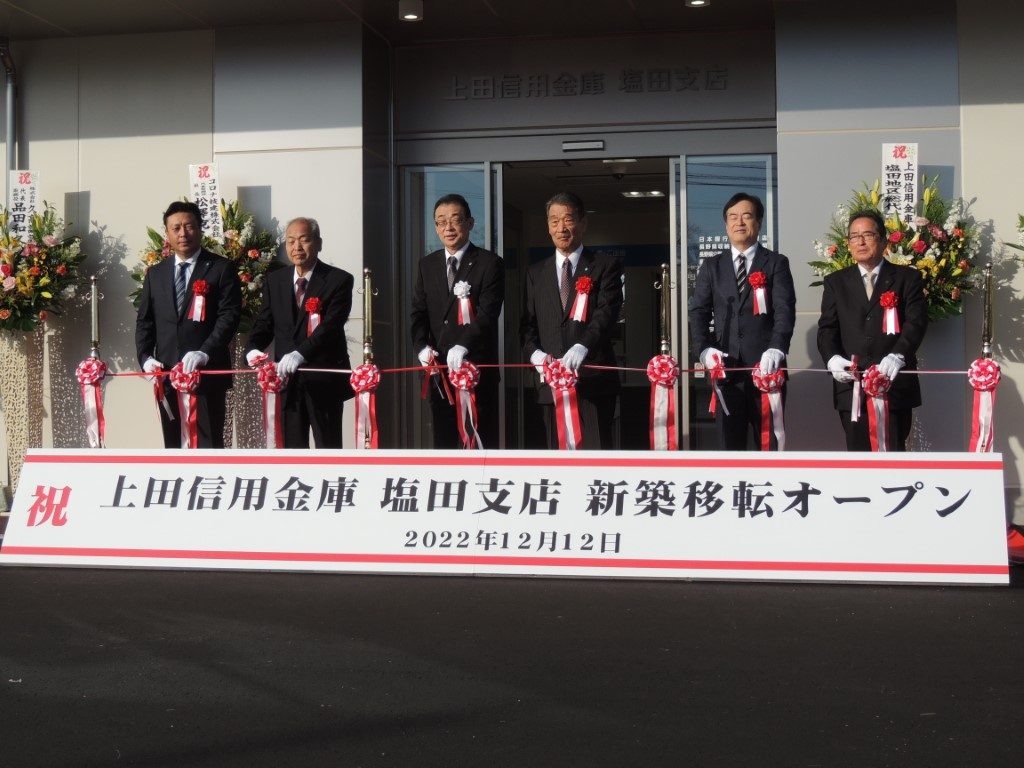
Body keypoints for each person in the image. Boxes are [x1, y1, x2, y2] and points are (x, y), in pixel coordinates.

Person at [689, 192, 796, 450]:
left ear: (758, 223)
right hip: (726, 373)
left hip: (766, 372)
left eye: (746, 216)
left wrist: (777, 348)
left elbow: (785, 310)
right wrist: (704, 350)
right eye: (732, 217)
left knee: (770, 446)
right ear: (726, 225)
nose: (739, 223)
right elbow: (699, 312)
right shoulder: (711, 266)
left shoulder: (775, 263)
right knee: (729, 448)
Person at [817, 208, 928, 451]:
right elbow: (827, 328)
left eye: (867, 234)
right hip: (852, 388)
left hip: (894, 385)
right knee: (858, 456)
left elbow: (916, 322)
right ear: (848, 243)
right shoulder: (836, 282)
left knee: (894, 454)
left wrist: (898, 355)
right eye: (854, 236)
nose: (861, 241)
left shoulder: (907, 278)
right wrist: (832, 359)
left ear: (884, 241)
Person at [135, 200, 242, 448]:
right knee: (173, 444)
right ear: (167, 234)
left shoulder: (221, 268)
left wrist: (205, 352)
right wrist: (145, 358)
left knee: (209, 445)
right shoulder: (155, 273)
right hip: (167, 373)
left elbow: (229, 316)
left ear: (200, 229)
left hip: (206, 374)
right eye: (176, 228)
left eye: (189, 226)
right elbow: (145, 321)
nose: (183, 233)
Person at [521, 191, 623, 449]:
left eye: (567, 219)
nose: (561, 228)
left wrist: (582, 346)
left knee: (596, 459)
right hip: (550, 386)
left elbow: (606, 313)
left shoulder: (604, 265)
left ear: (583, 222)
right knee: (554, 462)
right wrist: (535, 355)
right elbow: (527, 324)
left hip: (593, 383)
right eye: (554, 221)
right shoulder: (535, 272)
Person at [245, 217, 354, 448]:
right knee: (293, 451)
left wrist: (299, 354)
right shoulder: (275, 280)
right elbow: (265, 323)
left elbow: (331, 327)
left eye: (304, 240)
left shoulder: (338, 280)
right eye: (291, 241)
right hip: (287, 382)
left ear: (319, 243)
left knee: (329, 448)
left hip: (323, 379)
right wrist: (252, 348)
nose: (297, 247)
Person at [411, 193, 505, 448]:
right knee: (444, 442)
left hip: (475, 369)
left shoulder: (489, 263)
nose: (448, 227)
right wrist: (421, 346)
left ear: (470, 223)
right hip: (439, 372)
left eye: (455, 220)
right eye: (441, 222)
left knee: (480, 443)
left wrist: (464, 345)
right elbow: (418, 312)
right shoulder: (426, 265)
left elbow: (488, 313)